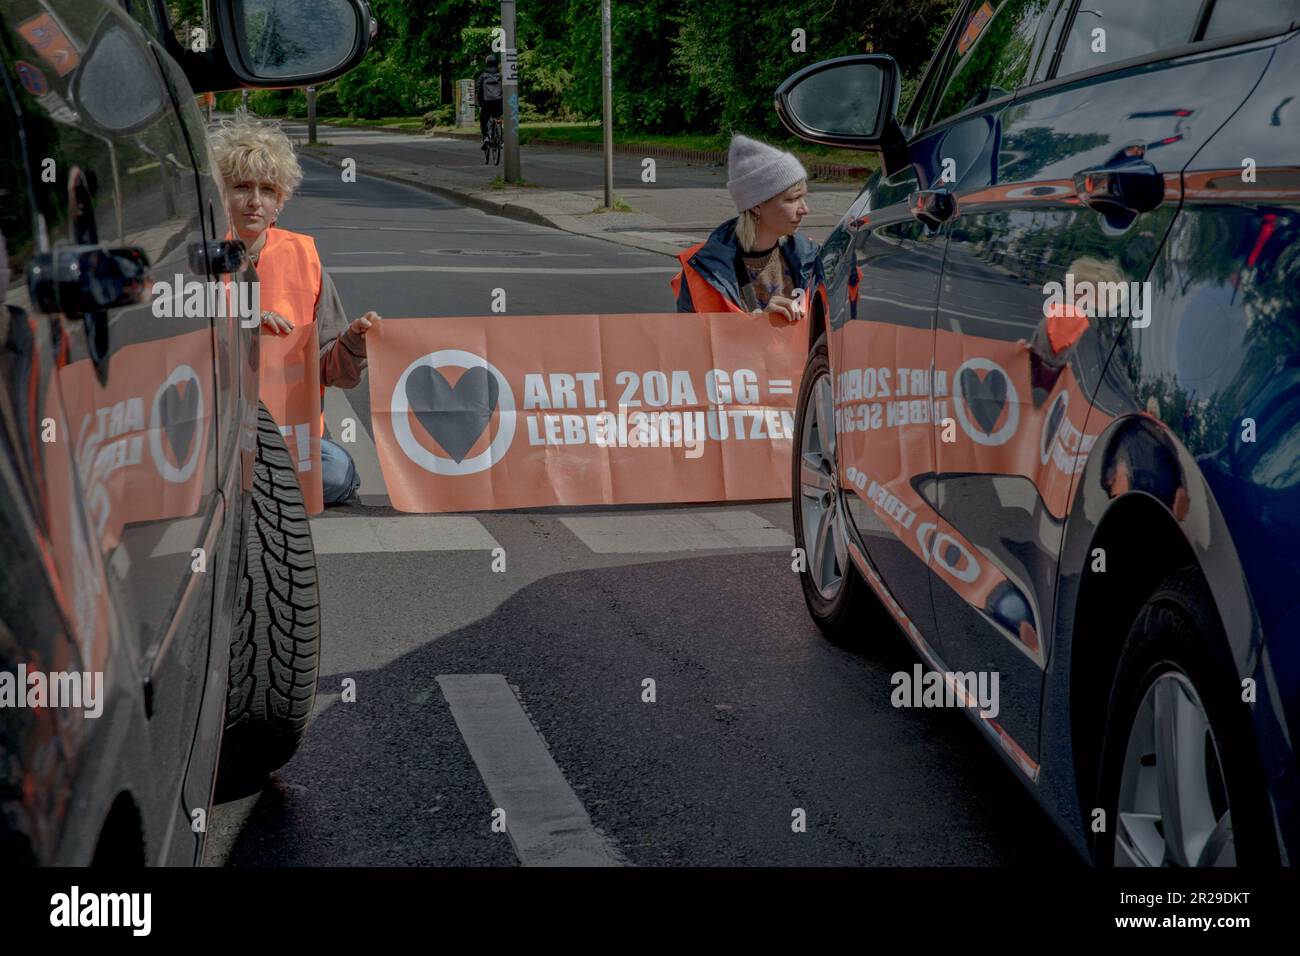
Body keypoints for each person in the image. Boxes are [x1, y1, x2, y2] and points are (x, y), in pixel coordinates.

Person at [207, 115, 381, 506]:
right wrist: (245, 322)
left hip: (292, 433)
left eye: (267, 190)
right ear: (220, 195)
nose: (255, 201)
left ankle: (250, 486)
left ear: (280, 201)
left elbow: (332, 371)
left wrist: (354, 341)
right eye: (241, 187)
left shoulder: (305, 258)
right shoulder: (197, 258)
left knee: (336, 475)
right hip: (215, 431)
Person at [671, 133, 821, 321]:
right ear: (756, 206)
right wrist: (755, 328)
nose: (804, 209)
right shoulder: (703, 269)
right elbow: (691, 343)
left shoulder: (811, 257)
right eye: (792, 199)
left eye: (804, 197)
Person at [476, 52, 504, 147]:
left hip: (486, 103)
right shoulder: (501, 76)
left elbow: (479, 90)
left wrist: (480, 103)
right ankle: (500, 136)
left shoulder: (482, 76)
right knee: (498, 117)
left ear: (487, 63)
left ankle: (486, 138)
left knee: (483, 119)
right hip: (499, 103)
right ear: (497, 63)